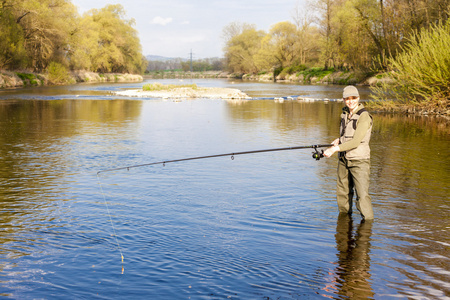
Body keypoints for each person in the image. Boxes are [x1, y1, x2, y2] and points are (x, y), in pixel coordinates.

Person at [323, 85, 374, 220]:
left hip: (359, 161)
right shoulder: (344, 114)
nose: (350, 101)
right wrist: (339, 140)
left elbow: (356, 141)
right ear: (343, 99)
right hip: (344, 159)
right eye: (347, 98)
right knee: (343, 194)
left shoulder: (364, 116)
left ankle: (367, 227)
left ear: (358, 98)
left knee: (362, 196)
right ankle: (345, 223)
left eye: (353, 98)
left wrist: (334, 149)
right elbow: (348, 135)